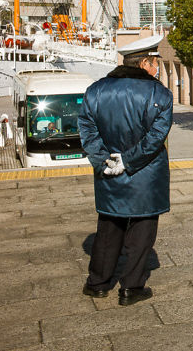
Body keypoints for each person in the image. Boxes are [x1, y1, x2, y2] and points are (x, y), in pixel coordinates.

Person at [77, 34, 173, 306]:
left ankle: (97, 283)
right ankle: (131, 287)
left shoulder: (96, 89)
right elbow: (156, 138)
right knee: (142, 230)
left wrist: (102, 160)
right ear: (143, 63)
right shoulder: (160, 94)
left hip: (108, 173)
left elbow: (86, 127)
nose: (157, 69)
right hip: (146, 175)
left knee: (109, 227)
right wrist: (128, 161)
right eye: (155, 63)